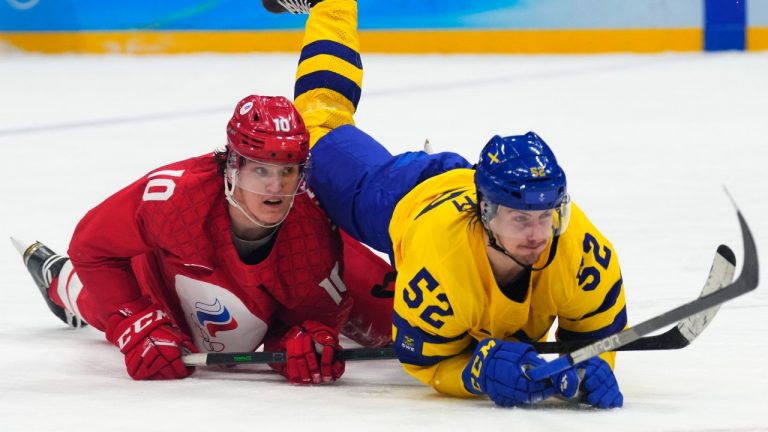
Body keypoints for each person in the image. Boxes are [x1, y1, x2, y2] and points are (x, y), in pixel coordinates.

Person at [263, 0, 626, 408]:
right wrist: (474, 374)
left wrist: (591, 364)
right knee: (319, 127)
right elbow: (427, 363)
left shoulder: (584, 255)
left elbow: (595, 338)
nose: (538, 234)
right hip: (401, 194)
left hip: (463, 196)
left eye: (547, 216)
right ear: (485, 214)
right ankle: (332, 4)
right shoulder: (437, 265)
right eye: (522, 218)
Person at [13, 94, 395, 384]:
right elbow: (92, 246)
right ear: (232, 165)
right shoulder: (175, 199)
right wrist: (136, 323)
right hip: (166, 281)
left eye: (289, 170)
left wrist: (301, 343)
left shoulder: (313, 238)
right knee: (105, 304)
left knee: (396, 321)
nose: (276, 188)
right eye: (260, 169)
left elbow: (300, 327)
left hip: (291, 278)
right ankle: (60, 279)